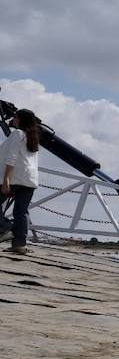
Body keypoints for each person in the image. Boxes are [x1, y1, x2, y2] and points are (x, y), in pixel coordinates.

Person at [1, 109, 42, 254]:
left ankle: (5, 228)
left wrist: (6, 179)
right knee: (21, 212)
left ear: (19, 119)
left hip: (14, 177)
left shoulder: (17, 134)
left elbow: (11, 158)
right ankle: (20, 245)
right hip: (29, 179)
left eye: (16, 117)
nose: (14, 120)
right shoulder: (32, 137)